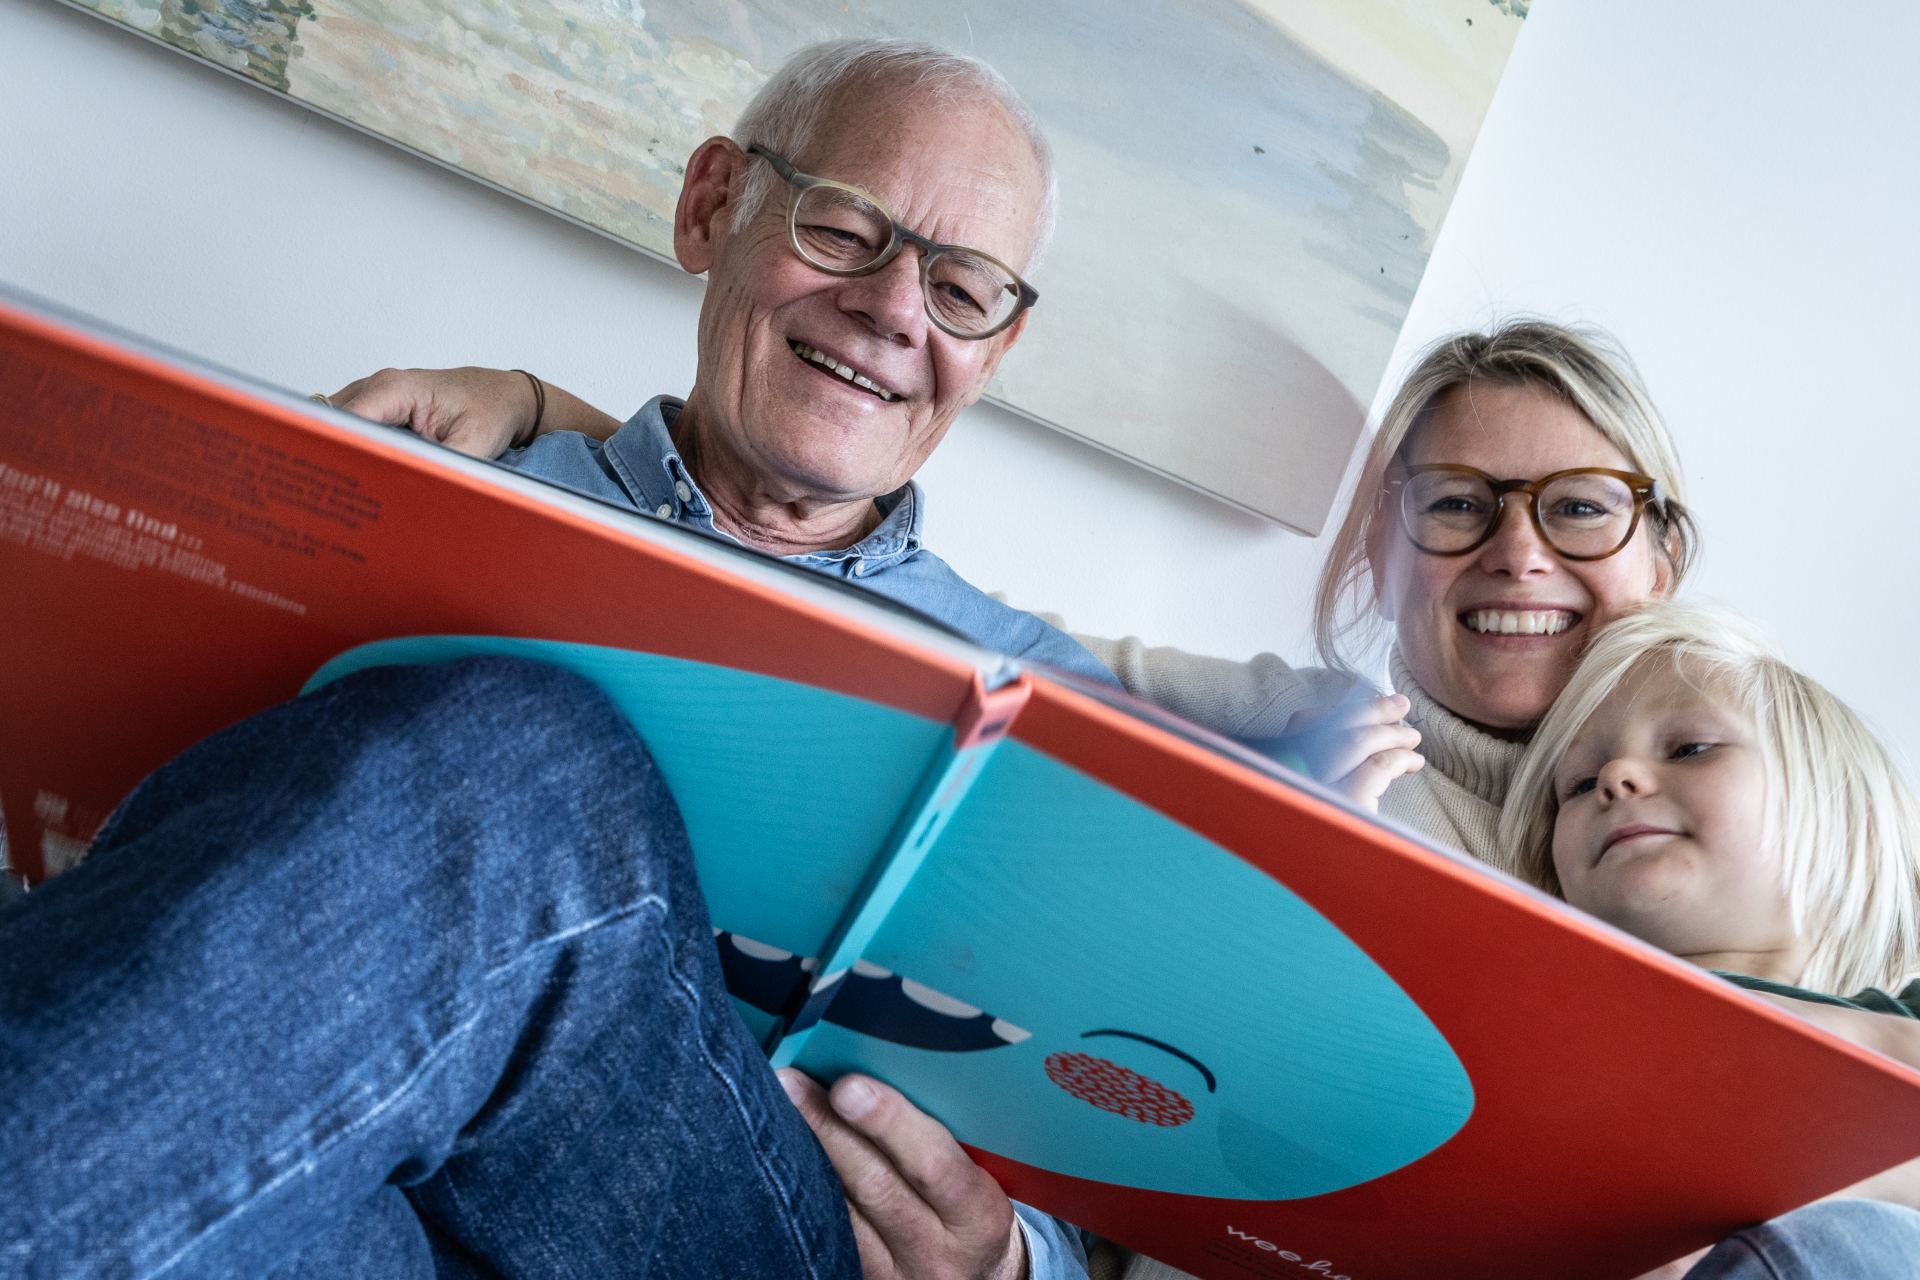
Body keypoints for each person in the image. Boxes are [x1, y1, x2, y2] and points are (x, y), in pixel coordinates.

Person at [0, 37, 1106, 1280]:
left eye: (963, 290)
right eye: (847, 228)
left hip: (737, 1224)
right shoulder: (423, 483)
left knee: (524, 751)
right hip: (356, 1194)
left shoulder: (1065, 712)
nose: (898, 308)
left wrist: (1016, 1263)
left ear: (996, 348)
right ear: (711, 206)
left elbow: (1122, 1157)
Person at [1496, 599, 1920, 1277]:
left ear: (1844, 810)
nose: (1615, 778)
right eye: (1577, 785)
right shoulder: (1546, 1019)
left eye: (1690, 748)